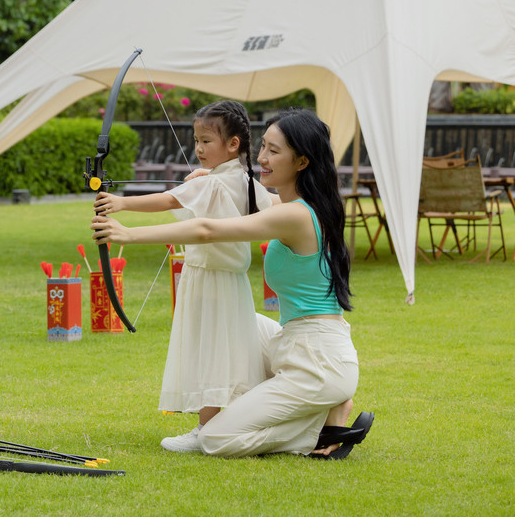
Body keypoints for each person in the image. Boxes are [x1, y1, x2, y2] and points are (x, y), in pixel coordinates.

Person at [92, 109, 372, 459]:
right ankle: (327, 404)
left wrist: (128, 234)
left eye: (274, 151)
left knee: (216, 440)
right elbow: (242, 195)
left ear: (301, 161)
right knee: (230, 317)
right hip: (299, 342)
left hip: (318, 359)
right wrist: (211, 178)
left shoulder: (294, 214)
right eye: (263, 147)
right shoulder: (290, 204)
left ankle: (321, 427)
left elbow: (208, 229)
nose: (261, 158)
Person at [95, 99, 274, 452]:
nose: (198, 148)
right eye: (196, 141)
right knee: (224, 349)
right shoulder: (243, 180)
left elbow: (168, 200)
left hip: (208, 276)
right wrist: (212, 174)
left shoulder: (216, 184)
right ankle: (224, 422)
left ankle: (205, 429)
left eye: (207, 141)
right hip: (231, 280)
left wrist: (121, 203)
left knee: (210, 349)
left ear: (232, 144)